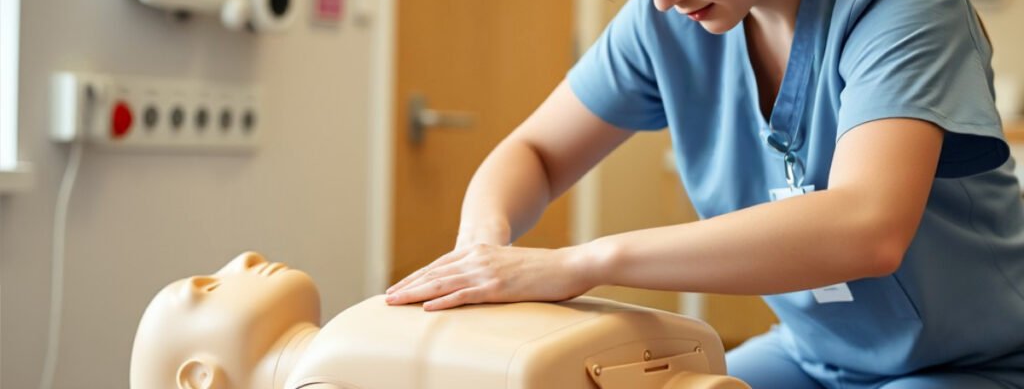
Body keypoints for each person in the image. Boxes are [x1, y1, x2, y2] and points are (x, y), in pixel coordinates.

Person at [383, 0, 1024, 387]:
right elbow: (537, 153)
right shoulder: (667, 20)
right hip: (813, 355)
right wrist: (480, 248)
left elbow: (868, 227)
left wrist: (582, 263)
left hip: (969, 362)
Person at [129, 251, 749, 389]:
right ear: (201, 379)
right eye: (208, 289)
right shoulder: (323, 374)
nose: (245, 260)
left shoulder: (349, 334)